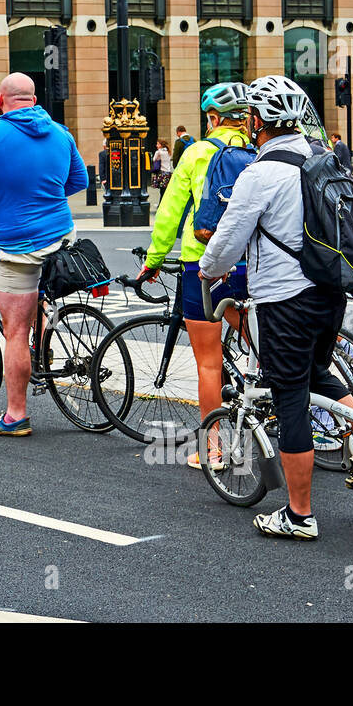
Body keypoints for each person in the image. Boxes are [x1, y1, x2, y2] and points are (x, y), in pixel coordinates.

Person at [199, 75, 353, 541]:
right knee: (317, 371)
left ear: (257, 121)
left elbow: (227, 241)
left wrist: (207, 271)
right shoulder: (322, 158)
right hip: (331, 292)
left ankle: (299, 514)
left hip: (285, 301)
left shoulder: (260, 173)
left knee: (290, 395)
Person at [0, 73, 87, 437]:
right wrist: (46, 197)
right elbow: (79, 181)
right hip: (61, 236)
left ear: (2, 101)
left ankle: (16, 415)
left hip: (17, 245)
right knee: (39, 300)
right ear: (33, 99)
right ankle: (44, 338)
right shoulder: (61, 133)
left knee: (14, 331)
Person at [138, 83, 252, 464]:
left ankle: (213, 450)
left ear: (213, 119)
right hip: (250, 265)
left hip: (202, 265)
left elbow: (170, 213)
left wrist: (154, 260)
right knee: (264, 345)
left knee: (209, 362)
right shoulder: (257, 153)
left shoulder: (197, 152)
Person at [150, 139, 172, 207]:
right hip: (168, 173)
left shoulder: (158, 152)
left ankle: (161, 205)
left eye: (158, 144)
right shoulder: (168, 151)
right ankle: (163, 204)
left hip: (162, 173)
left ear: (161, 145)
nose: (156, 145)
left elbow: (154, 159)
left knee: (162, 190)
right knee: (165, 190)